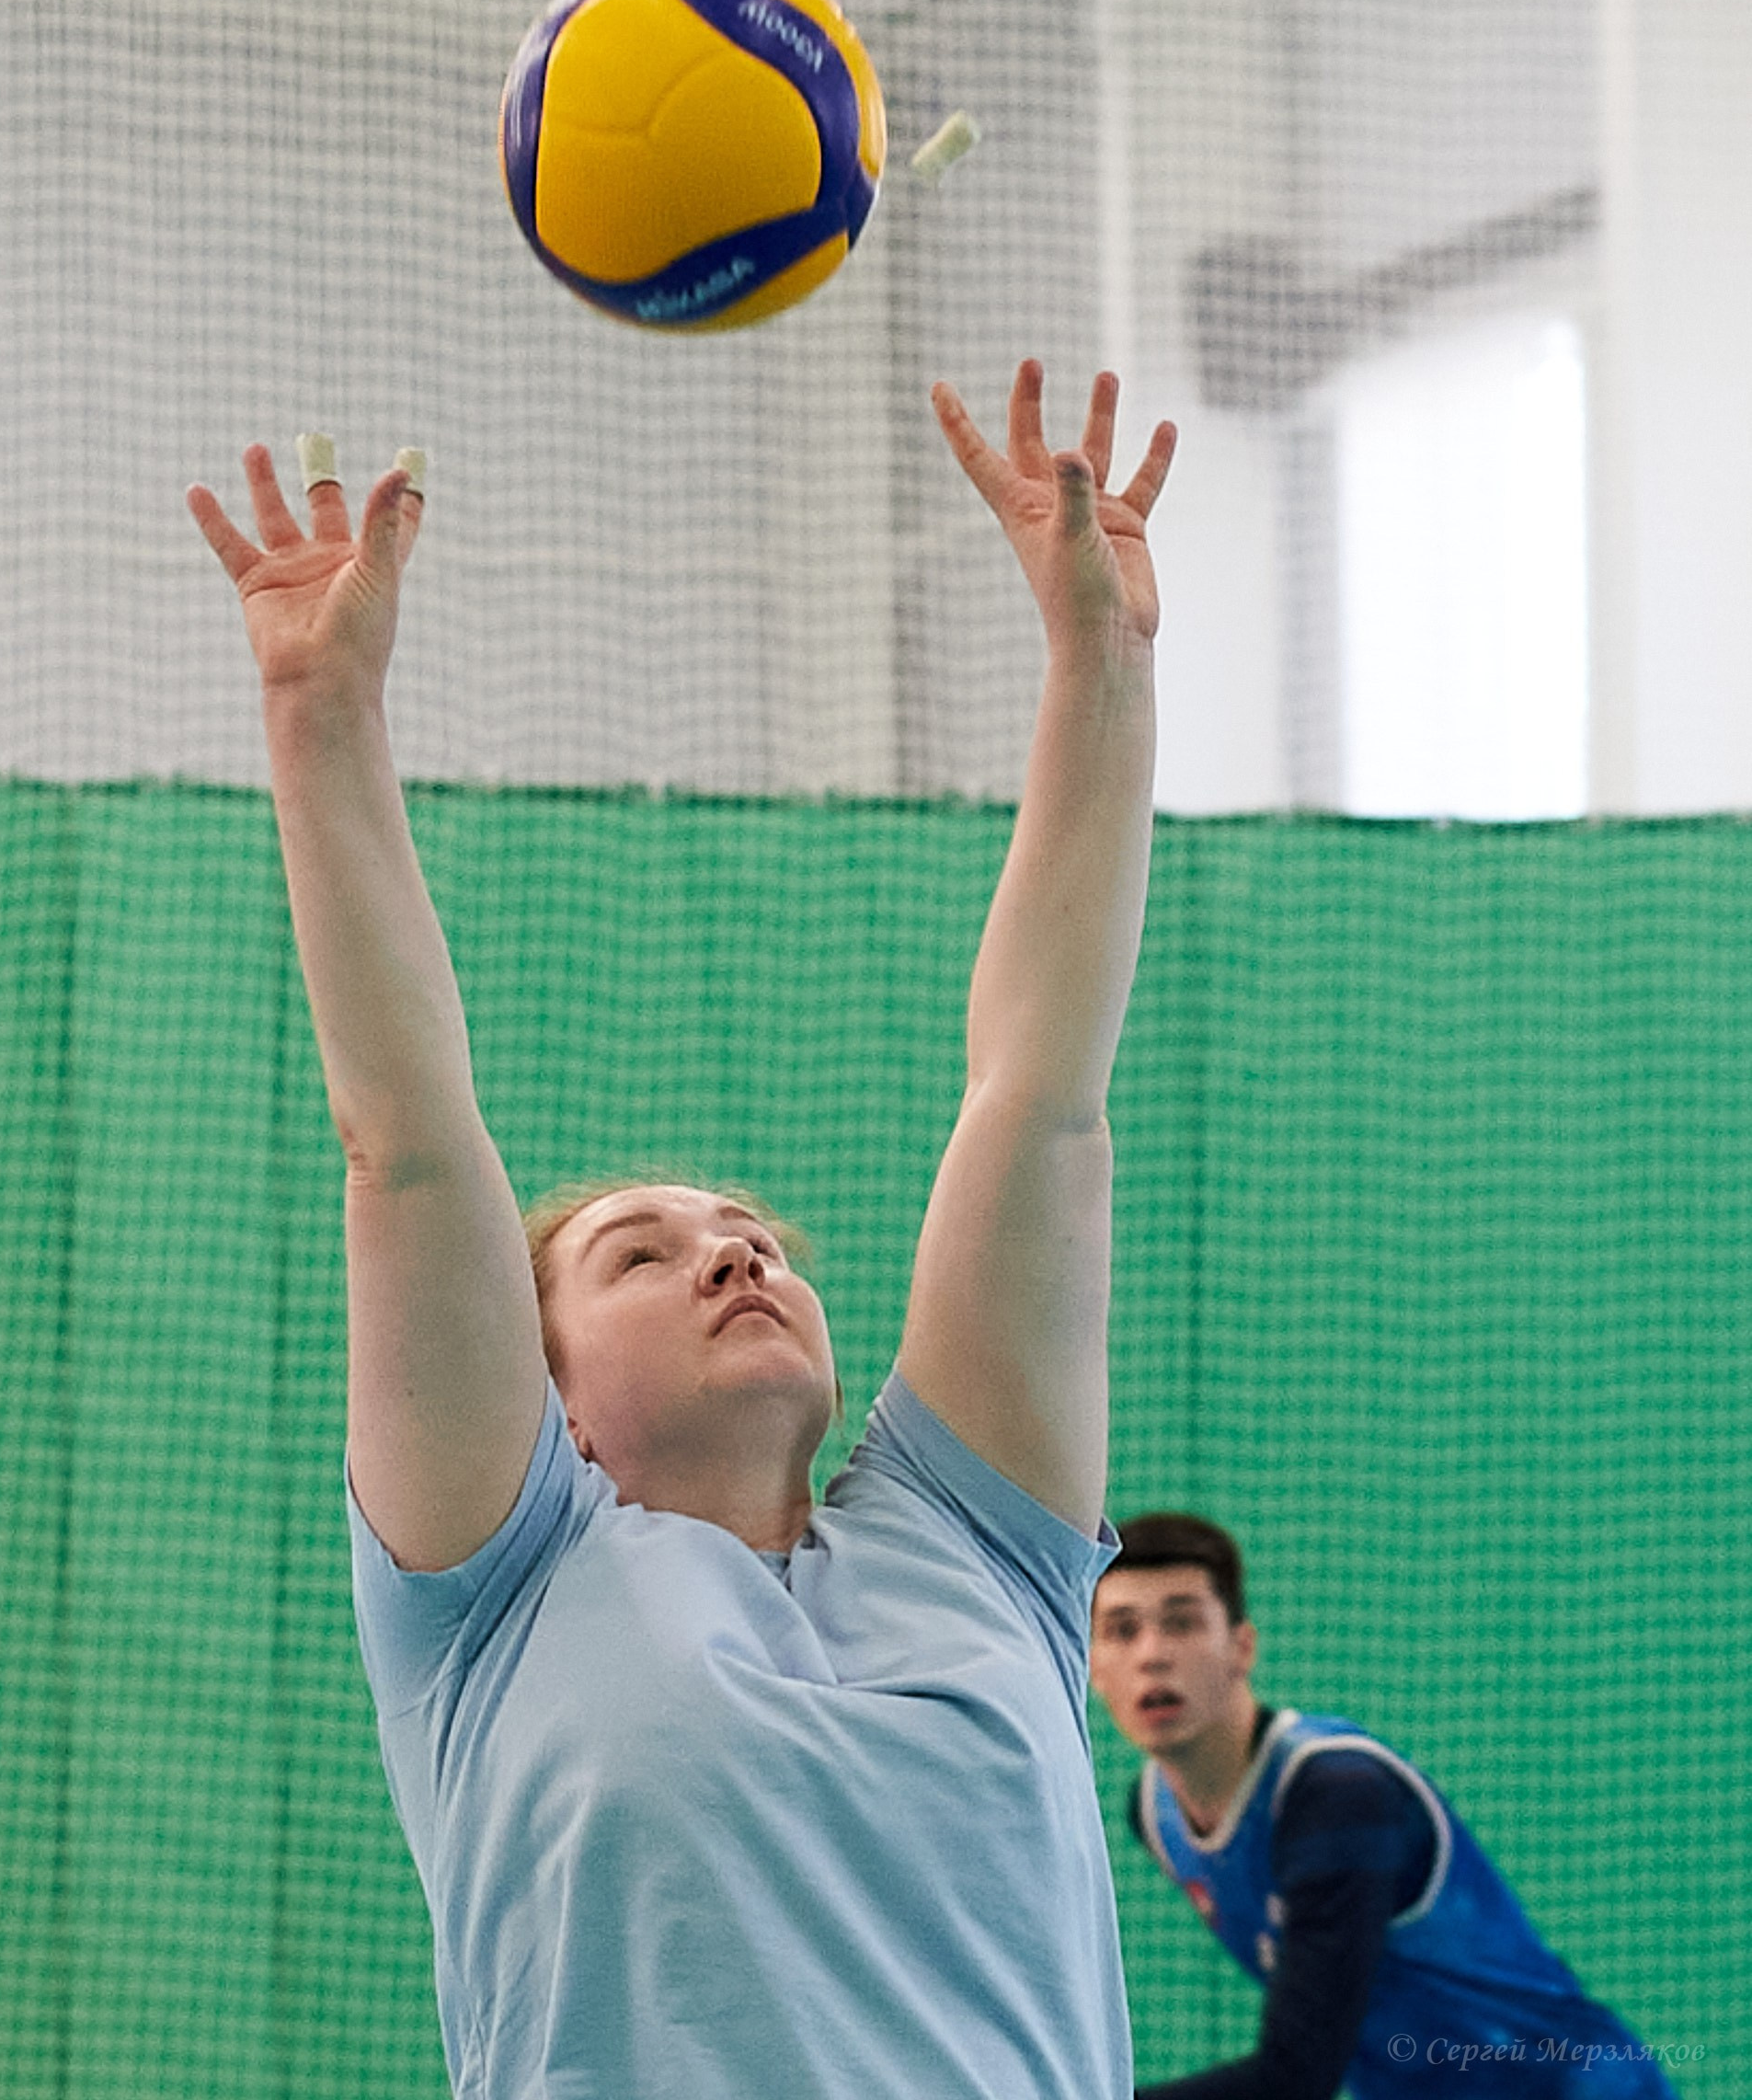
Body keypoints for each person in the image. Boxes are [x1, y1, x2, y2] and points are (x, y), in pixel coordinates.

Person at [187, 361, 1175, 2100]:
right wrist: (315, 721)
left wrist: (1101, 660)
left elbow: (1041, 1091)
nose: (735, 1256)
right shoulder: (498, 1594)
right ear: (545, 1399)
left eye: (751, 1238)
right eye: (639, 1255)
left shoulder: (977, 1548)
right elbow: (409, 1147)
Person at [1091, 1512, 1678, 2099]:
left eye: (1182, 1623)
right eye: (1121, 1630)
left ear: (1241, 1647)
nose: (1152, 1656)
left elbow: (1298, 2073)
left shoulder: (1339, 1795)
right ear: (1090, 1662)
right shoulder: (1156, 1813)